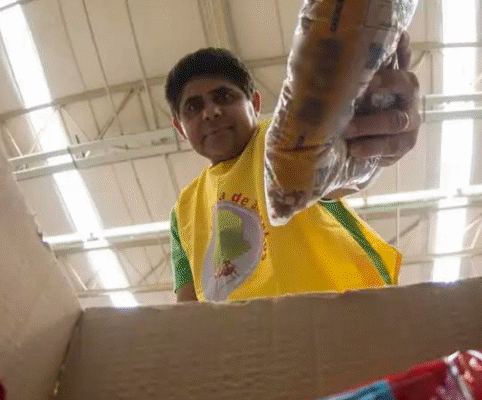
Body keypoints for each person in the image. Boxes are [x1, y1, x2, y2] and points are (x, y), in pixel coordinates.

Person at [166, 33, 421, 302]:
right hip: (246, 330)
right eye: (193, 107)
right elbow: (187, 310)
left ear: (254, 104)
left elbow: (341, 164)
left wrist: (372, 134)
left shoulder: (283, 139)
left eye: (225, 96)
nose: (210, 112)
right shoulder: (182, 212)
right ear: (180, 128)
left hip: (340, 317)